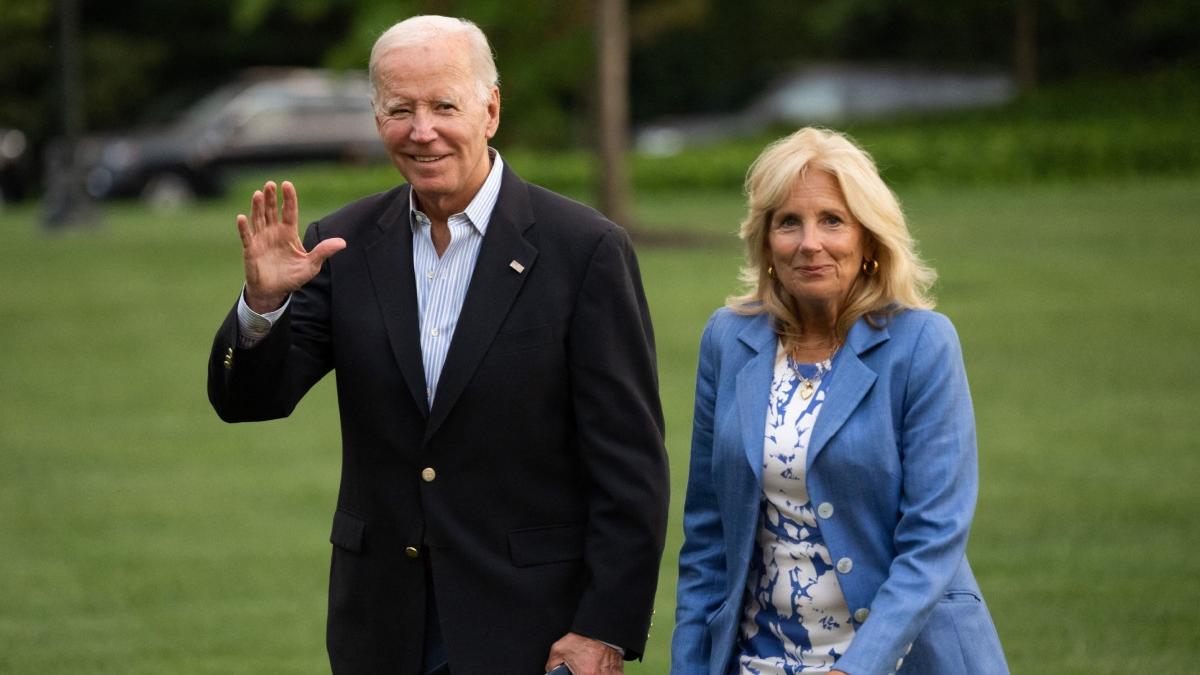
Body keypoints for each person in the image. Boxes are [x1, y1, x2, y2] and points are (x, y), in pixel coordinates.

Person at [207, 15, 669, 675]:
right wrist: (264, 305)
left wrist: (605, 625)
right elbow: (248, 401)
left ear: (491, 109)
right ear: (376, 118)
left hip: (531, 630)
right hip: (382, 629)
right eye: (400, 109)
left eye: (443, 105)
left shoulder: (584, 251)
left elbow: (630, 468)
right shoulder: (342, 245)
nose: (421, 130)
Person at [670, 127, 1007, 674]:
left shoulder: (922, 344)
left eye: (832, 220)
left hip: (903, 661)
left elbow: (934, 537)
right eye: (789, 222)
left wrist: (855, 669)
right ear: (765, 242)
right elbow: (708, 538)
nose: (810, 243)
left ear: (868, 239)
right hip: (758, 661)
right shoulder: (728, 340)